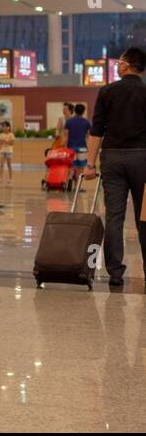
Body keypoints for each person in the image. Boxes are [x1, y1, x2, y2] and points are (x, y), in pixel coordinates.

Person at [85, 47, 146, 288]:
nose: (117, 66)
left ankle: (116, 273)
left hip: (112, 159)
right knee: (145, 217)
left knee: (114, 217)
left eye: (120, 62)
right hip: (143, 159)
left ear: (126, 66)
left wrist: (90, 164)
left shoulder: (107, 91)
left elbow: (97, 130)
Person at [64, 103, 92, 174]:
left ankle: (70, 182)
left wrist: (65, 147)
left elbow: (66, 136)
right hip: (82, 148)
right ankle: (78, 184)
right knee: (81, 167)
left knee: (71, 167)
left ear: (75, 110)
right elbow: (90, 136)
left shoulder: (69, 121)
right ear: (83, 111)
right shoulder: (87, 122)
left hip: (71, 148)